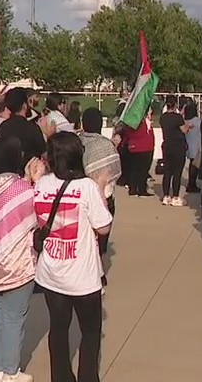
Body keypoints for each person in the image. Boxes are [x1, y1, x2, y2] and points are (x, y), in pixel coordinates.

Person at [35, 132, 113, 382]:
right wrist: (101, 189)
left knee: (58, 329)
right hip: (82, 277)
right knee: (90, 332)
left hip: (50, 274)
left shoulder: (42, 184)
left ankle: (60, 377)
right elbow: (103, 227)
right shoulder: (87, 187)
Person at [0, 137, 44, 382]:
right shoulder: (22, 189)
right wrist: (33, 181)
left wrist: (26, 180)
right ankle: (11, 372)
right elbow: (37, 215)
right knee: (14, 319)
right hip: (16, 266)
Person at [81, 108, 122, 287]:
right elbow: (116, 171)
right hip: (103, 197)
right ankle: (98, 272)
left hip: (81, 197)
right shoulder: (106, 145)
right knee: (100, 239)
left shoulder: (77, 142)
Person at [0, 88, 47, 169]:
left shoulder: (3, 127)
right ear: (24, 105)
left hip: (9, 172)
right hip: (30, 172)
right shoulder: (32, 128)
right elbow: (44, 153)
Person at [158, 96, 190, 205]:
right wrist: (188, 125)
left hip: (167, 145)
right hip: (178, 146)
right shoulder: (178, 118)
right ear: (175, 104)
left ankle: (166, 195)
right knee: (177, 172)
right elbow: (184, 130)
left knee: (167, 172)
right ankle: (175, 196)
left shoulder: (163, 118)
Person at [116, 107, 156, 197]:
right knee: (140, 169)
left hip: (142, 147)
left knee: (138, 169)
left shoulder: (143, 121)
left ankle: (135, 188)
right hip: (141, 147)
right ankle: (139, 189)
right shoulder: (138, 122)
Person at [184, 101, 202, 194]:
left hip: (188, 146)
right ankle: (192, 184)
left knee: (192, 165)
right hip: (197, 147)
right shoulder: (197, 121)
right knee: (194, 167)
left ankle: (191, 183)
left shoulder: (185, 121)